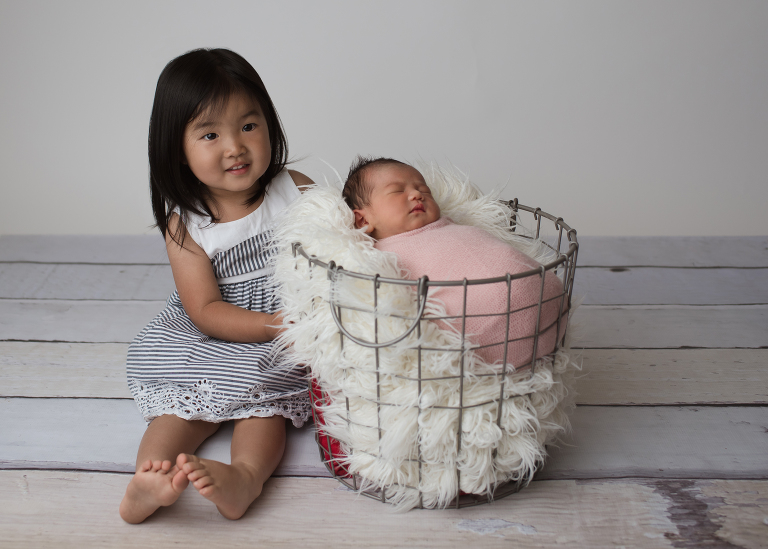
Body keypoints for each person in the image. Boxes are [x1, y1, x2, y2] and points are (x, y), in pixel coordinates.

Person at [120, 48, 313, 524]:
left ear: (269, 124)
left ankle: (244, 477)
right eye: (210, 134)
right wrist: (275, 325)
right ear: (176, 149)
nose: (235, 147)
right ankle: (150, 479)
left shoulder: (296, 189)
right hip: (218, 329)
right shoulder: (186, 226)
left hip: (285, 329)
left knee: (265, 408)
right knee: (182, 405)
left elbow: (341, 246)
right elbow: (204, 307)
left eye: (249, 126)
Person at [343, 157, 568, 369]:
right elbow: (397, 304)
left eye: (423, 190)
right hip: (482, 328)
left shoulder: (455, 226)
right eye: (398, 191)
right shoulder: (380, 257)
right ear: (363, 219)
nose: (416, 195)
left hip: (546, 299)